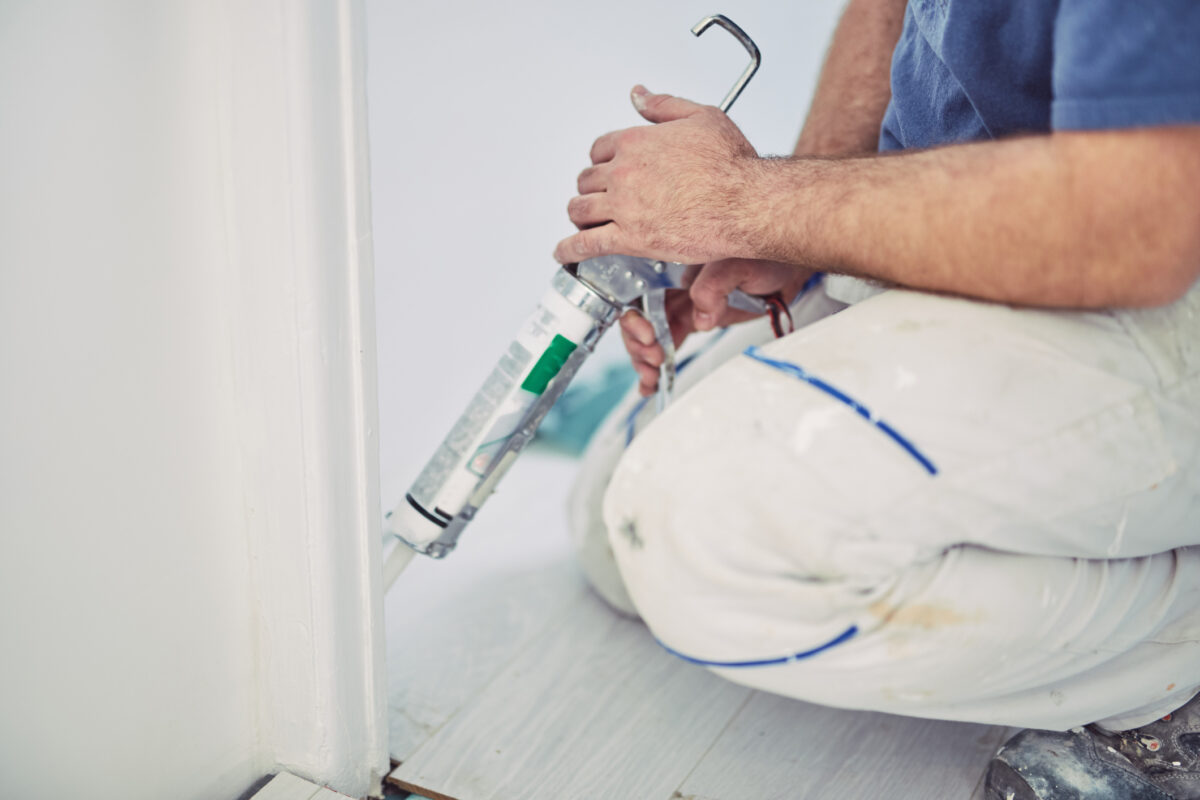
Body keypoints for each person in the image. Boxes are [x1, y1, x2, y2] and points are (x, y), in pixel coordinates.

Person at [554, 1, 1200, 798]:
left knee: (701, 533)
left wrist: (750, 199)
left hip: (1159, 273)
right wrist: (795, 232)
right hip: (986, 225)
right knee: (615, 529)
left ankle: (1175, 671)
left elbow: (1133, 222)